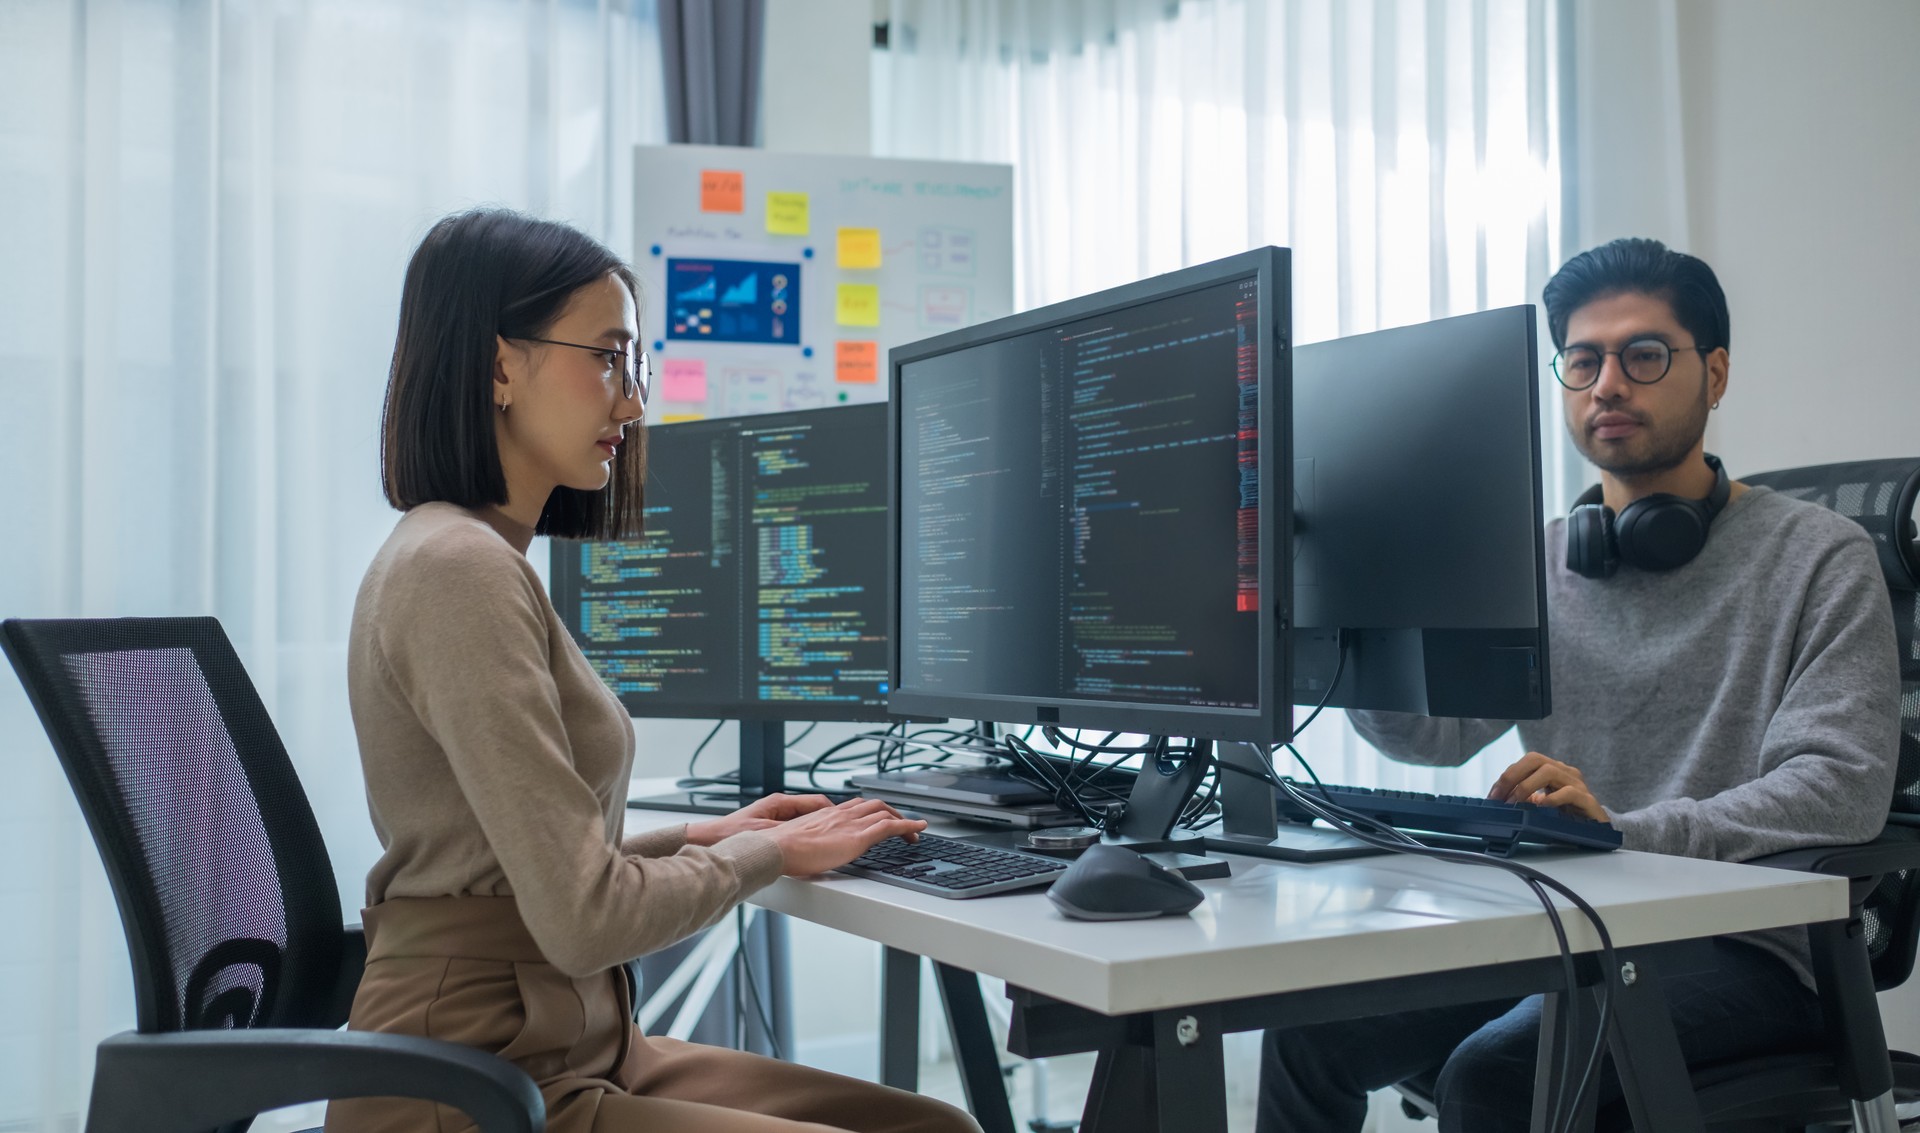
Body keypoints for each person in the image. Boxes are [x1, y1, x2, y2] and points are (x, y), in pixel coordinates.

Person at [326, 209, 980, 1133]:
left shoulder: (475, 556)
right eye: (607, 358)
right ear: (501, 365)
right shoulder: (457, 572)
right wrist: (767, 854)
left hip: (568, 1039)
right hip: (474, 1078)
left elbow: (533, 877)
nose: (632, 403)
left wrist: (719, 836)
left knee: (933, 1126)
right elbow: (583, 917)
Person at [1256, 238, 1902, 1133]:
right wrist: (1341, 599)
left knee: (1496, 1074)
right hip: (1567, 919)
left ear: (1714, 375)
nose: (1607, 384)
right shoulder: (1545, 559)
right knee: (1306, 1027)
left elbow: (1839, 790)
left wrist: (1622, 832)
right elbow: (1425, 734)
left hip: (1748, 946)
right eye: (1584, 359)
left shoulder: (1820, 555)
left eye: (1644, 355)